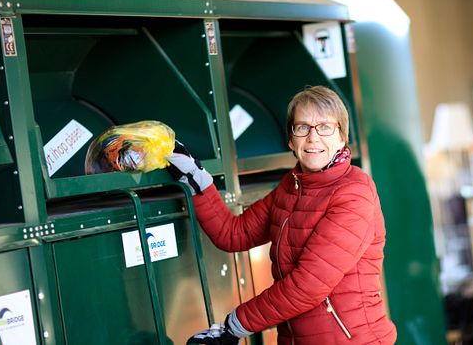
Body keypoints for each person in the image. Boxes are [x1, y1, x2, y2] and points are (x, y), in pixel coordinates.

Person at [168, 86, 397, 345]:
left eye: (324, 127)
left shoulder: (354, 193)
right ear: (291, 139)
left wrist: (234, 327)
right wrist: (195, 177)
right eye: (302, 128)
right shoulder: (292, 186)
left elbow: (307, 285)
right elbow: (233, 234)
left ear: (342, 137)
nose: (313, 138)